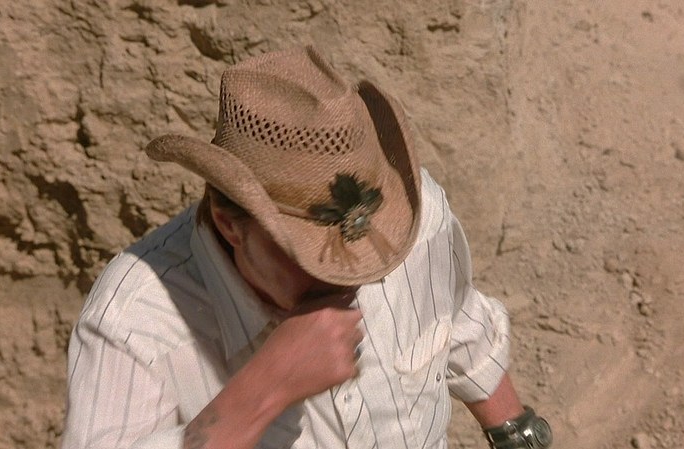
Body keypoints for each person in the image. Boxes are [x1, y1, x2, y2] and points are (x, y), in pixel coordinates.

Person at [61, 46, 553, 449]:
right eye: (313, 254)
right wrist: (263, 389)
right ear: (231, 225)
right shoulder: (133, 322)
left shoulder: (409, 218)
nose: (356, 272)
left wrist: (518, 437)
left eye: (366, 246)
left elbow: (457, 322)